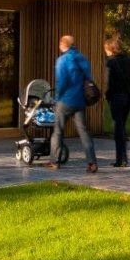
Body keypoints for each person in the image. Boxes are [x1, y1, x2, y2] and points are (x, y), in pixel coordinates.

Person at [45, 34, 98, 173]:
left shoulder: (62, 60)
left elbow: (61, 82)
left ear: (63, 44)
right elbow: (88, 78)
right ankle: (92, 163)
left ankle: (54, 161)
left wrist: (56, 98)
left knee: (58, 131)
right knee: (83, 132)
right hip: (80, 101)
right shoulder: (82, 58)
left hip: (65, 101)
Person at [104, 35, 130, 168]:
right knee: (122, 127)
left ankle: (121, 160)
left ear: (111, 49)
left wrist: (107, 95)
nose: (105, 52)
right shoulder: (129, 60)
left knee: (118, 129)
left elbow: (109, 83)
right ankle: (123, 158)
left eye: (106, 49)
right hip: (128, 98)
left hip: (116, 98)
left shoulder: (111, 62)